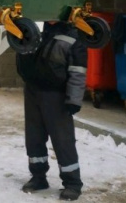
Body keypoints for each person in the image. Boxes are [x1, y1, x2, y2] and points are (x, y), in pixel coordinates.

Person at [16, 20, 88, 201]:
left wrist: (74, 100)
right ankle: (38, 177)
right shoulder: (36, 32)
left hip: (56, 97)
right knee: (34, 138)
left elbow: (77, 73)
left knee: (63, 141)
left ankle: (72, 184)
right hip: (32, 92)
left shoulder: (73, 39)